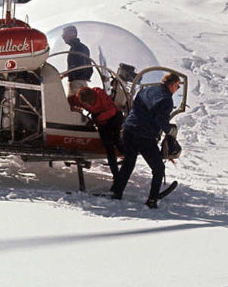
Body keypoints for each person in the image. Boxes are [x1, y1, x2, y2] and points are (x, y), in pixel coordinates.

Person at [111, 72, 182, 208]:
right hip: (144, 136)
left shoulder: (146, 90)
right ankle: (152, 199)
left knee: (128, 163)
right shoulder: (166, 99)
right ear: (172, 85)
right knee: (158, 168)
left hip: (129, 130)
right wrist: (170, 131)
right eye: (177, 87)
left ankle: (117, 192)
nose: (176, 90)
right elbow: (160, 119)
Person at [69, 84, 123, 180]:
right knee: (108, 147)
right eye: (87, 104)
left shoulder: (100, 94)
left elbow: (112, 111)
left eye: (91, 102)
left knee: (116, 141)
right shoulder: (79, 97)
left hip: (113, 118)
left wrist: (97, 119)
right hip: (101, 121)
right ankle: (116, 174)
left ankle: (127, 158)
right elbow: (70, 101)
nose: (89, 105)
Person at [61, 24, 92, 93]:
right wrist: (64, 75)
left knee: (73, 102)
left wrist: (67, 74)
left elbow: (79, 68)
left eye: (64, 33)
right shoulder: (75, 48)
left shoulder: (79, 48)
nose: (63, 36)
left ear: (73, 33)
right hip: (77, 82)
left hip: (77, 84)